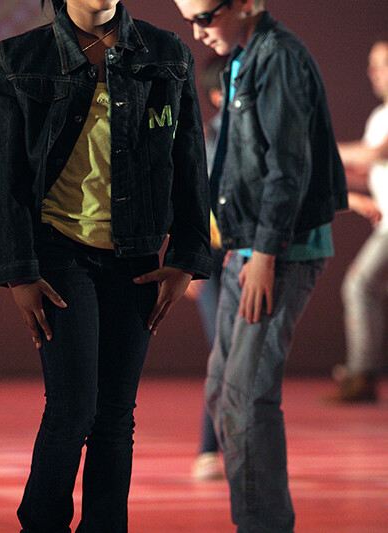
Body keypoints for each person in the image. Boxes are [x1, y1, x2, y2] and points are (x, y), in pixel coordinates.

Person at [0, 0, 211, 531]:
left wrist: (186, 257)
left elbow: (190, 161)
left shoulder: (168, 53)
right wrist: (19, 270)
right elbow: (5, 176)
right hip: (59, 254)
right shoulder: (19, 57)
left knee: (115, 416)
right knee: (72, 410)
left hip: (137, 254)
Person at [172, 1, 347, 531]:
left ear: (247, 3)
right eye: (189, 19)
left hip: (278, 252)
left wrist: (265, 254)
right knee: (223, 391)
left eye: (205, 17)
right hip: (247, 249)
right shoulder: (241, 59)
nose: (197, 32)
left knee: (246, 400)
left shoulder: (280, 59)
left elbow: (287, 166)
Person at [332, 39, 388, 403]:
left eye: (382, 64)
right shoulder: (379, 116)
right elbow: (368, 173)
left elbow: (374, 153)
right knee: (363, 286)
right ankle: (362, 373)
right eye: (373, 64)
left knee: (360, 284)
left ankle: (362, 374)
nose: (373, 72)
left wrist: (322, 152)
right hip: (385, 225)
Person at [185, 54, 228, 481]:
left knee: (245, 353)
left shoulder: (261, 136)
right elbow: (185, 201)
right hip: (212, 259)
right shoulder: (202, 139)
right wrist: (185, 260)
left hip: (249, 256)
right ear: (217, 95)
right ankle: (208, 449)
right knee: (222, 348)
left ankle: (238, 447)